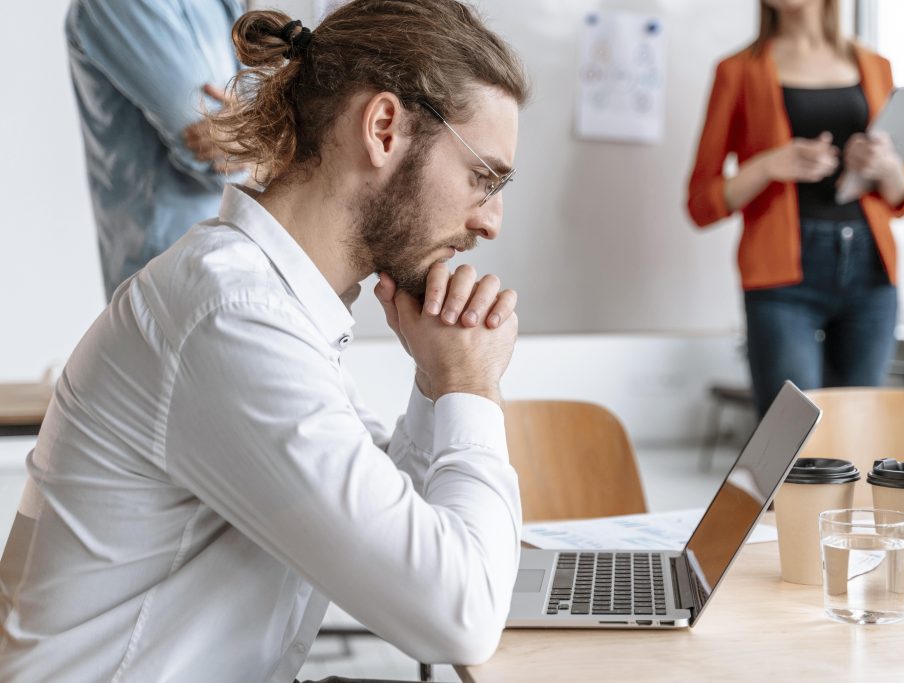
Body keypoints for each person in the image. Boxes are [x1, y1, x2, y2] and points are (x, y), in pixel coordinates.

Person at [1, 1, 529, 680]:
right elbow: (454, 615)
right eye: (483, 178)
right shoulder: (230, 316)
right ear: (384, 127)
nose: (491, 222)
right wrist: (468, 384)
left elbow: (394, 523)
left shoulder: (271, 304)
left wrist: (436, 381)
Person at [687, 0, 904, 416]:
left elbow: (901, 197)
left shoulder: (875, 65)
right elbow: (701, 203)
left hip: (871, 271)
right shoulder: (737, 70)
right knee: (790, 439)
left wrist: (885, 167)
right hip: (782, 280)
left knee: (861, 433)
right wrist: (768, 165)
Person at [65, 0, 248, 300]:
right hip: (170, 280)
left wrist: (263, 133)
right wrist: (278, 135)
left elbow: (261, 113)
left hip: (235, 265)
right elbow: (217, 155)